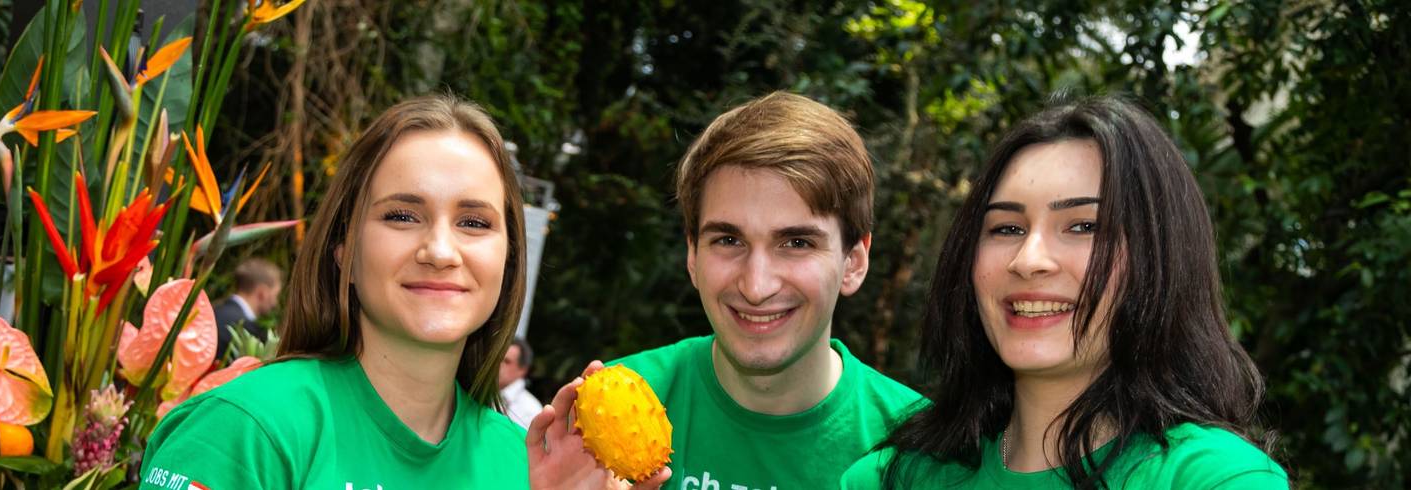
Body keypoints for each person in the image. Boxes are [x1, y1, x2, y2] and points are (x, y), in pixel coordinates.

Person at [840, 96, 1288, 488]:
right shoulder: (891, 478)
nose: (1029, 259)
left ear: (1159, 259)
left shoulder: (1215, 479)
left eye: (1083, 226)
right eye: (1007, 227)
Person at [529, 92, 923, 489]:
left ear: (853, 262)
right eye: (729, 241)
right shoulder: (612, 413)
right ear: (692, 256)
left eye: (796, 243)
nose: (756, 286)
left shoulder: (925, 451)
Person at [140, 95, 532, 488]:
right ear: (344, 251)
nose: (441, 252)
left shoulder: (524, 465)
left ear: (508, 258)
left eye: (475, 222)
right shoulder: (246, 429)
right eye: (402, 216)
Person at [212, 257, 283, 360]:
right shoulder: (248, 329)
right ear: (263, 293)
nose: (276, 303)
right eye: (276, 295)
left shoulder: (213, 311)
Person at [500, 337, 543, 427]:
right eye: (497, 359)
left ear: (522, 370)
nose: (499, 365)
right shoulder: (480, 393)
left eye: (507, 361)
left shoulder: (532, 410)